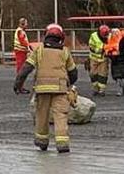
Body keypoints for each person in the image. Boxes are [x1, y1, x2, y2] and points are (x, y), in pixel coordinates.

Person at [14, 23, 77, 153]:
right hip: (60, 89)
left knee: (41, 115)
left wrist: (18, 84)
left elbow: (25, 69)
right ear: (61, 37)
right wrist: (69, 83)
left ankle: (42, 142)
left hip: (42, 89)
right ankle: (62, 144)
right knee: (60, 115)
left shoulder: (39, 50)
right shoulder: (65, 51)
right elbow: (73, 72)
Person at [104, 28, 124, 96]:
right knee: (116, 76)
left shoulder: (122, 39)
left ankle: (121, 89)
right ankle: (121, 88)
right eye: (113, 32)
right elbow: (107, 48)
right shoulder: (109, 39)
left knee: (119, 76)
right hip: (114, 60)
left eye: (115, 32)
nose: (114, 34)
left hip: (122, 60)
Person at [88, 25, 110, 96]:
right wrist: (102, 49)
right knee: (93, 74)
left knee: (103, 75)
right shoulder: (93, 36)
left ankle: (102, 90)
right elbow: (91, 47)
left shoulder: (109, 36)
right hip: (94, 58)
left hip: (104, 59)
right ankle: (95, 89)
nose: (105, 36)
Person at [13, 18, 31, 94]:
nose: (27, 25)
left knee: (21, 69)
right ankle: (18, 87)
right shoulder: (20, 31)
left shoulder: (20, 31)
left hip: (21, 51)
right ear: (22, 24)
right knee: (21, 70)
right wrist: (29, 47)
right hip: (21, 52)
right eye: (26, 23)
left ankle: (19, 86)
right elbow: (22, 41)